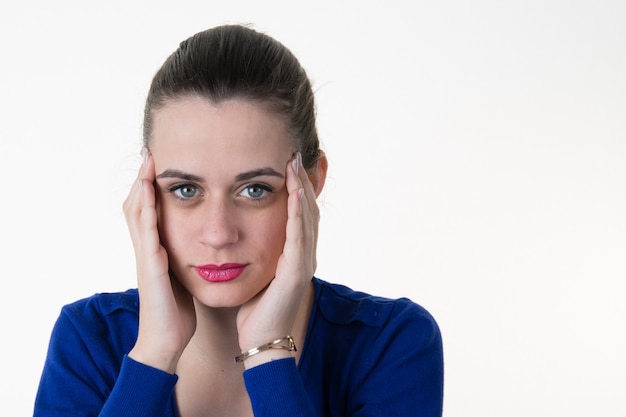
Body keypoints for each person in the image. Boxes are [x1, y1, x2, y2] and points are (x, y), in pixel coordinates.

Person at [33, 24, 444, 416]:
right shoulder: (89, 340)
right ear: (145, 194)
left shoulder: (390, 343)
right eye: (185, 190)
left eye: (255, 190)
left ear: (311, 181)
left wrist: (268, 352)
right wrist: (154, 353)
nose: (218, 234)